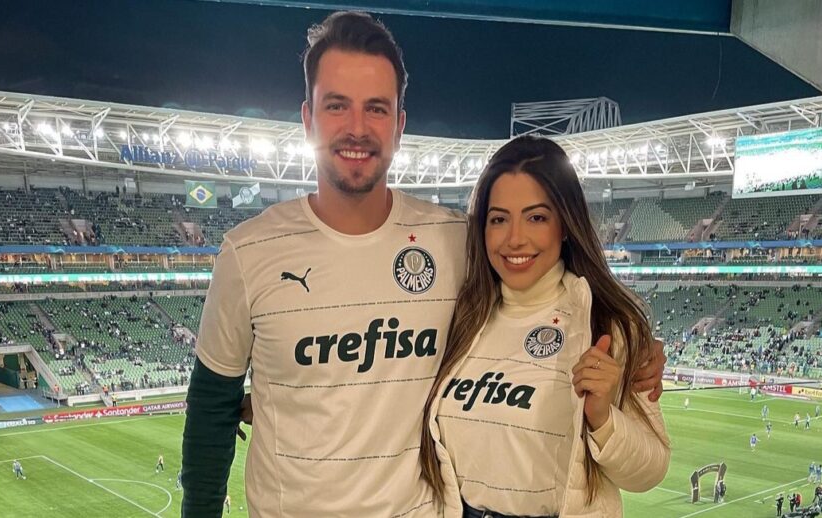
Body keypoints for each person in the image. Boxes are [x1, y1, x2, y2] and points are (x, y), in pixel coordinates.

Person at [180, 11, 667, 517]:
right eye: (336, 106)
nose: (356, 128)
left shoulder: (456, 241)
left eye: (376, 108)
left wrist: (636, 346)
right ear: (307, 118)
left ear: (399, 126)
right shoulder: (248, 253)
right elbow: (211, 413)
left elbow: (540, 275)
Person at [420, 135, 670, 517]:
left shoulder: (608, 325)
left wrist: (603, 418)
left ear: (565, 226)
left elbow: (649, 471)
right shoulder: (461, 317)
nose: (515, 239)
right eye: (499, 219)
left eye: (536, 217)